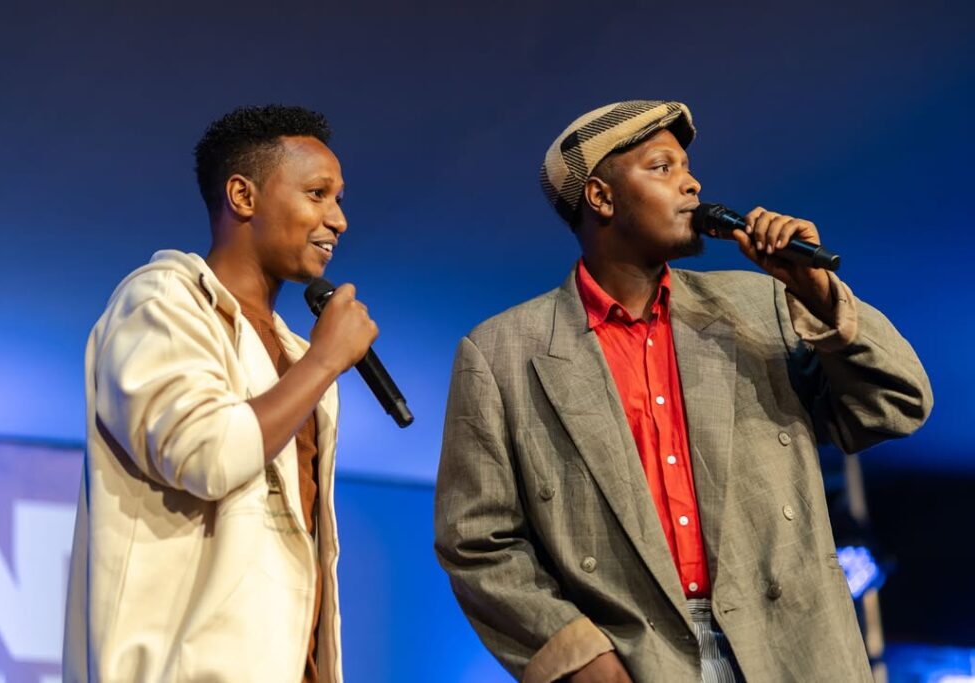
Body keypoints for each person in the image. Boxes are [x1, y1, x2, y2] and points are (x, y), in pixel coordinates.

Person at [434, 100, 932, 682]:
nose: (692, 184)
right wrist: (576, 653)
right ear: (600, 197)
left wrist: (821, 298)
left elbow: (898, 407)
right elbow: (477, 541)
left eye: (687, 168)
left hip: (792, 651)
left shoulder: (759, 307)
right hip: (642, 659)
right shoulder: (503, 353)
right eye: (662, 167)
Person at [64, 104, 377, 682]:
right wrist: (326, 360)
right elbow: (206, 454)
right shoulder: (161, 302)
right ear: (242, 196)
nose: (338, 220)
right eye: (317, 194)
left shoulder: (291, 351)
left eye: (338, 199)